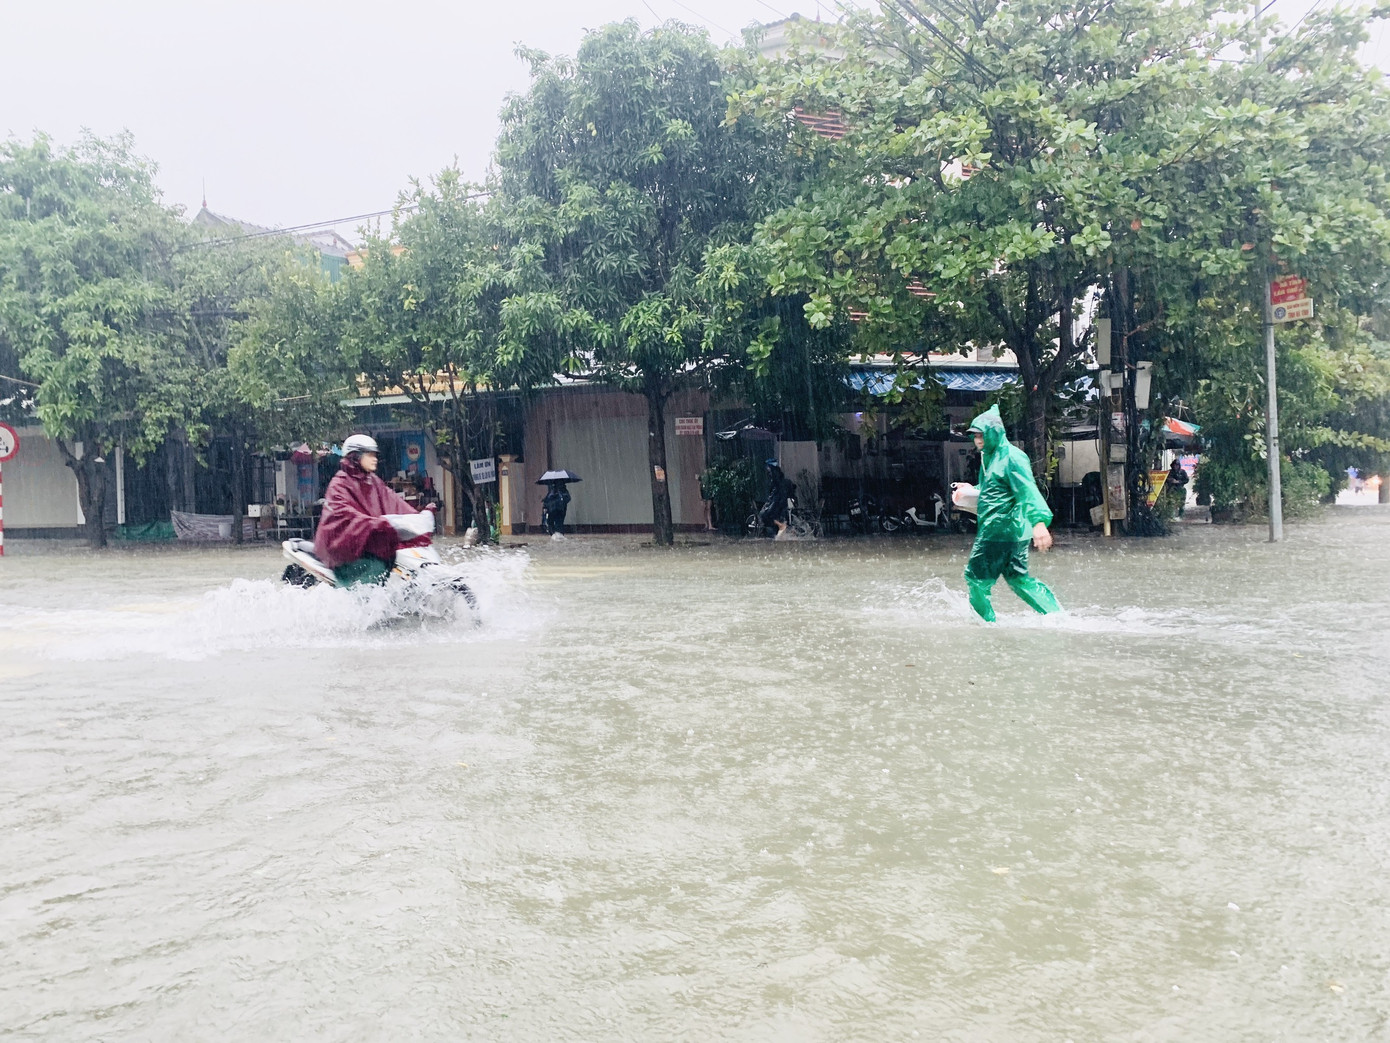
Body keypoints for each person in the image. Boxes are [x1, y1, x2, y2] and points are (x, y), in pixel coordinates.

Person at [961, 405, 1061, 622]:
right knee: (1018, 578)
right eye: (975, 436)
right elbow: (993, 489)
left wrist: (1039, 522)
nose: (978, 440)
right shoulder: (990, 456)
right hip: (1013, 532)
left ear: (993, 433)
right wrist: (970, 489)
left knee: (975, 578)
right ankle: (1057, 616)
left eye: (981, 435)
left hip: (998, 531)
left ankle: (985, 626)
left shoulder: (1012, 458)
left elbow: (1027, 490)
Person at [313, 434, 434, 587]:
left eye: (375, 455)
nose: (374, 459)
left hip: (368, 546)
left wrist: (418, 517)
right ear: (355, 456)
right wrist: (375, 524)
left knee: (394, 559)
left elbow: (393, 502)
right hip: (347, 554)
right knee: (376, 568)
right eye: (369, 454)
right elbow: (345, 516)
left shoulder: (373, 481)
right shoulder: (340, 483)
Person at [759, 459, 796, 536]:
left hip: (779, 502)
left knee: (765, 515)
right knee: (767, 515)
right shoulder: (784, 481)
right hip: (783, 503)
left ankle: (780, 526)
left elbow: (776, 494)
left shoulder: (777, 480)